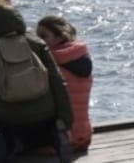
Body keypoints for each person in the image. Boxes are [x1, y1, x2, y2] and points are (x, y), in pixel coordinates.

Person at [0, 0, 73, 161]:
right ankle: (50, 136)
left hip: (7, 117)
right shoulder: (32, 37)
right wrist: (65, 120)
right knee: (33, 113)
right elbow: (57, 80)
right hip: (46, 116)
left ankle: (6, 143)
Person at [37, 14, 94, 152]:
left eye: (43, 36)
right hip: (84, 136)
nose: (39, 41)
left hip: (62, 138)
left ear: (60, 37)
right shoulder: (81, 56)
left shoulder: (51, 61)